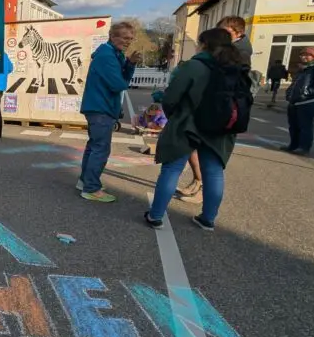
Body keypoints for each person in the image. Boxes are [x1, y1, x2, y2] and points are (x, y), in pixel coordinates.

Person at [144, 28, 245, 231]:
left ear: (204, 44)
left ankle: (155, 216)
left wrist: (175, 117)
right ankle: (208, 219)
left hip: (188, 125)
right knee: (213, 173)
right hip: (220, 129)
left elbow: (172, 97)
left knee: (172, 169)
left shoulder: (194, 66)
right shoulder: (236, 68)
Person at [77, 21, 140, 201]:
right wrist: (128, 65)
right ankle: (91, 188)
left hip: (98, 107)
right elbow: (119, 84)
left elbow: (121, 80)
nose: (128, 42)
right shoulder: (108, 56)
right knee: (100, 149)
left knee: (94, 147)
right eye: (124, 38)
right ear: (113, 36)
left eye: (130, 39)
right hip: (101, 108)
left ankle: (85, 181)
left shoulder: (113, 53)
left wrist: (129, 63)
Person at [282, 46, 314, 156]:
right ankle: (293, 145)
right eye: (302, 55)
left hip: (308, 102)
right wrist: (289, 93)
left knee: (305, 126)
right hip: (295, 101)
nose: (304, 57)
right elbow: (295, 83)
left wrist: (306, 93)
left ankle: (304, 147)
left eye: (307, 55)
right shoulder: (304, 68)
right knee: (293, 125)